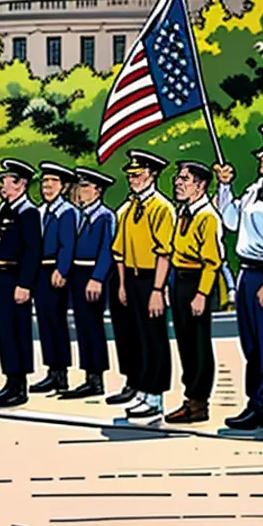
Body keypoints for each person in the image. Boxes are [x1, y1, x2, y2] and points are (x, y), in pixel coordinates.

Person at [112, 150, 175, 423]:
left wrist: (158, 290)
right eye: (131, 175)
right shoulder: (126, 209)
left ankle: (155, 396)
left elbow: (165, 253)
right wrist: (122, 285)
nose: (133, 180)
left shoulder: (162, 208)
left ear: (152, 175)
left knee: (154, 338)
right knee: (136, 336)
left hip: (152, 278)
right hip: (133, 278)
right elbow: (120, 252)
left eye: (138, 175)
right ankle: (141, 389)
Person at [215, 126, 263, 431]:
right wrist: (225, 187)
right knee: (251, 345)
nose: (261, 157)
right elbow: (231, 220)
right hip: (248, 271)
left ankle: (262, 405)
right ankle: (256, 402)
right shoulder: (253, 189)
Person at [167, 161, 224, 424]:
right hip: (180, 280)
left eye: (185, 179)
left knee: (198, 344)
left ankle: (199, 402)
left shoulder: (207, 217)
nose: (178, 183)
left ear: (200, 186)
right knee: (185, 342)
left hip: (197, 281)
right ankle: (189, 398)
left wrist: (202, 294)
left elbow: (212, 261)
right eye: (178, 178)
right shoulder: (184, 213)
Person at [0, 159, 42, 407]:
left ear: (19, 183)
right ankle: (10, 380)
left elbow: (32, 251)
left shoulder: (27, 211)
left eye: (6, 181)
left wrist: (25, 284)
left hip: (15, 278)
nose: (2, 186)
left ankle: (20, 386)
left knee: (18, 332)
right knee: (5, 332)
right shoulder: (5, 208)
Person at [63, 167, 117, 400]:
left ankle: (96, 377)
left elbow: (107, 250)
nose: (81, 192)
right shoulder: (77, 215)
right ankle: (87, 374)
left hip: (92, 273)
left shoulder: (105, 216)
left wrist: (97, 278)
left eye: (86, 187)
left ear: (98, 191)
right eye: (80, 187)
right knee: (81, 325)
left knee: (92, 325)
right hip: (76, 272)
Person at [31, 163, 78, 395]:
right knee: (45, 321)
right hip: (40, 272)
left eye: (53, 182)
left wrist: (62, 269)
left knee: (57, 322)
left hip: (54, 270)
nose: (47, 186)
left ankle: (62, 373)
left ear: (64, 186)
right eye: (44, 182)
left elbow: (68, 244)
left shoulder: (66, 211)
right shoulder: (40, 212)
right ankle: (51, 370)